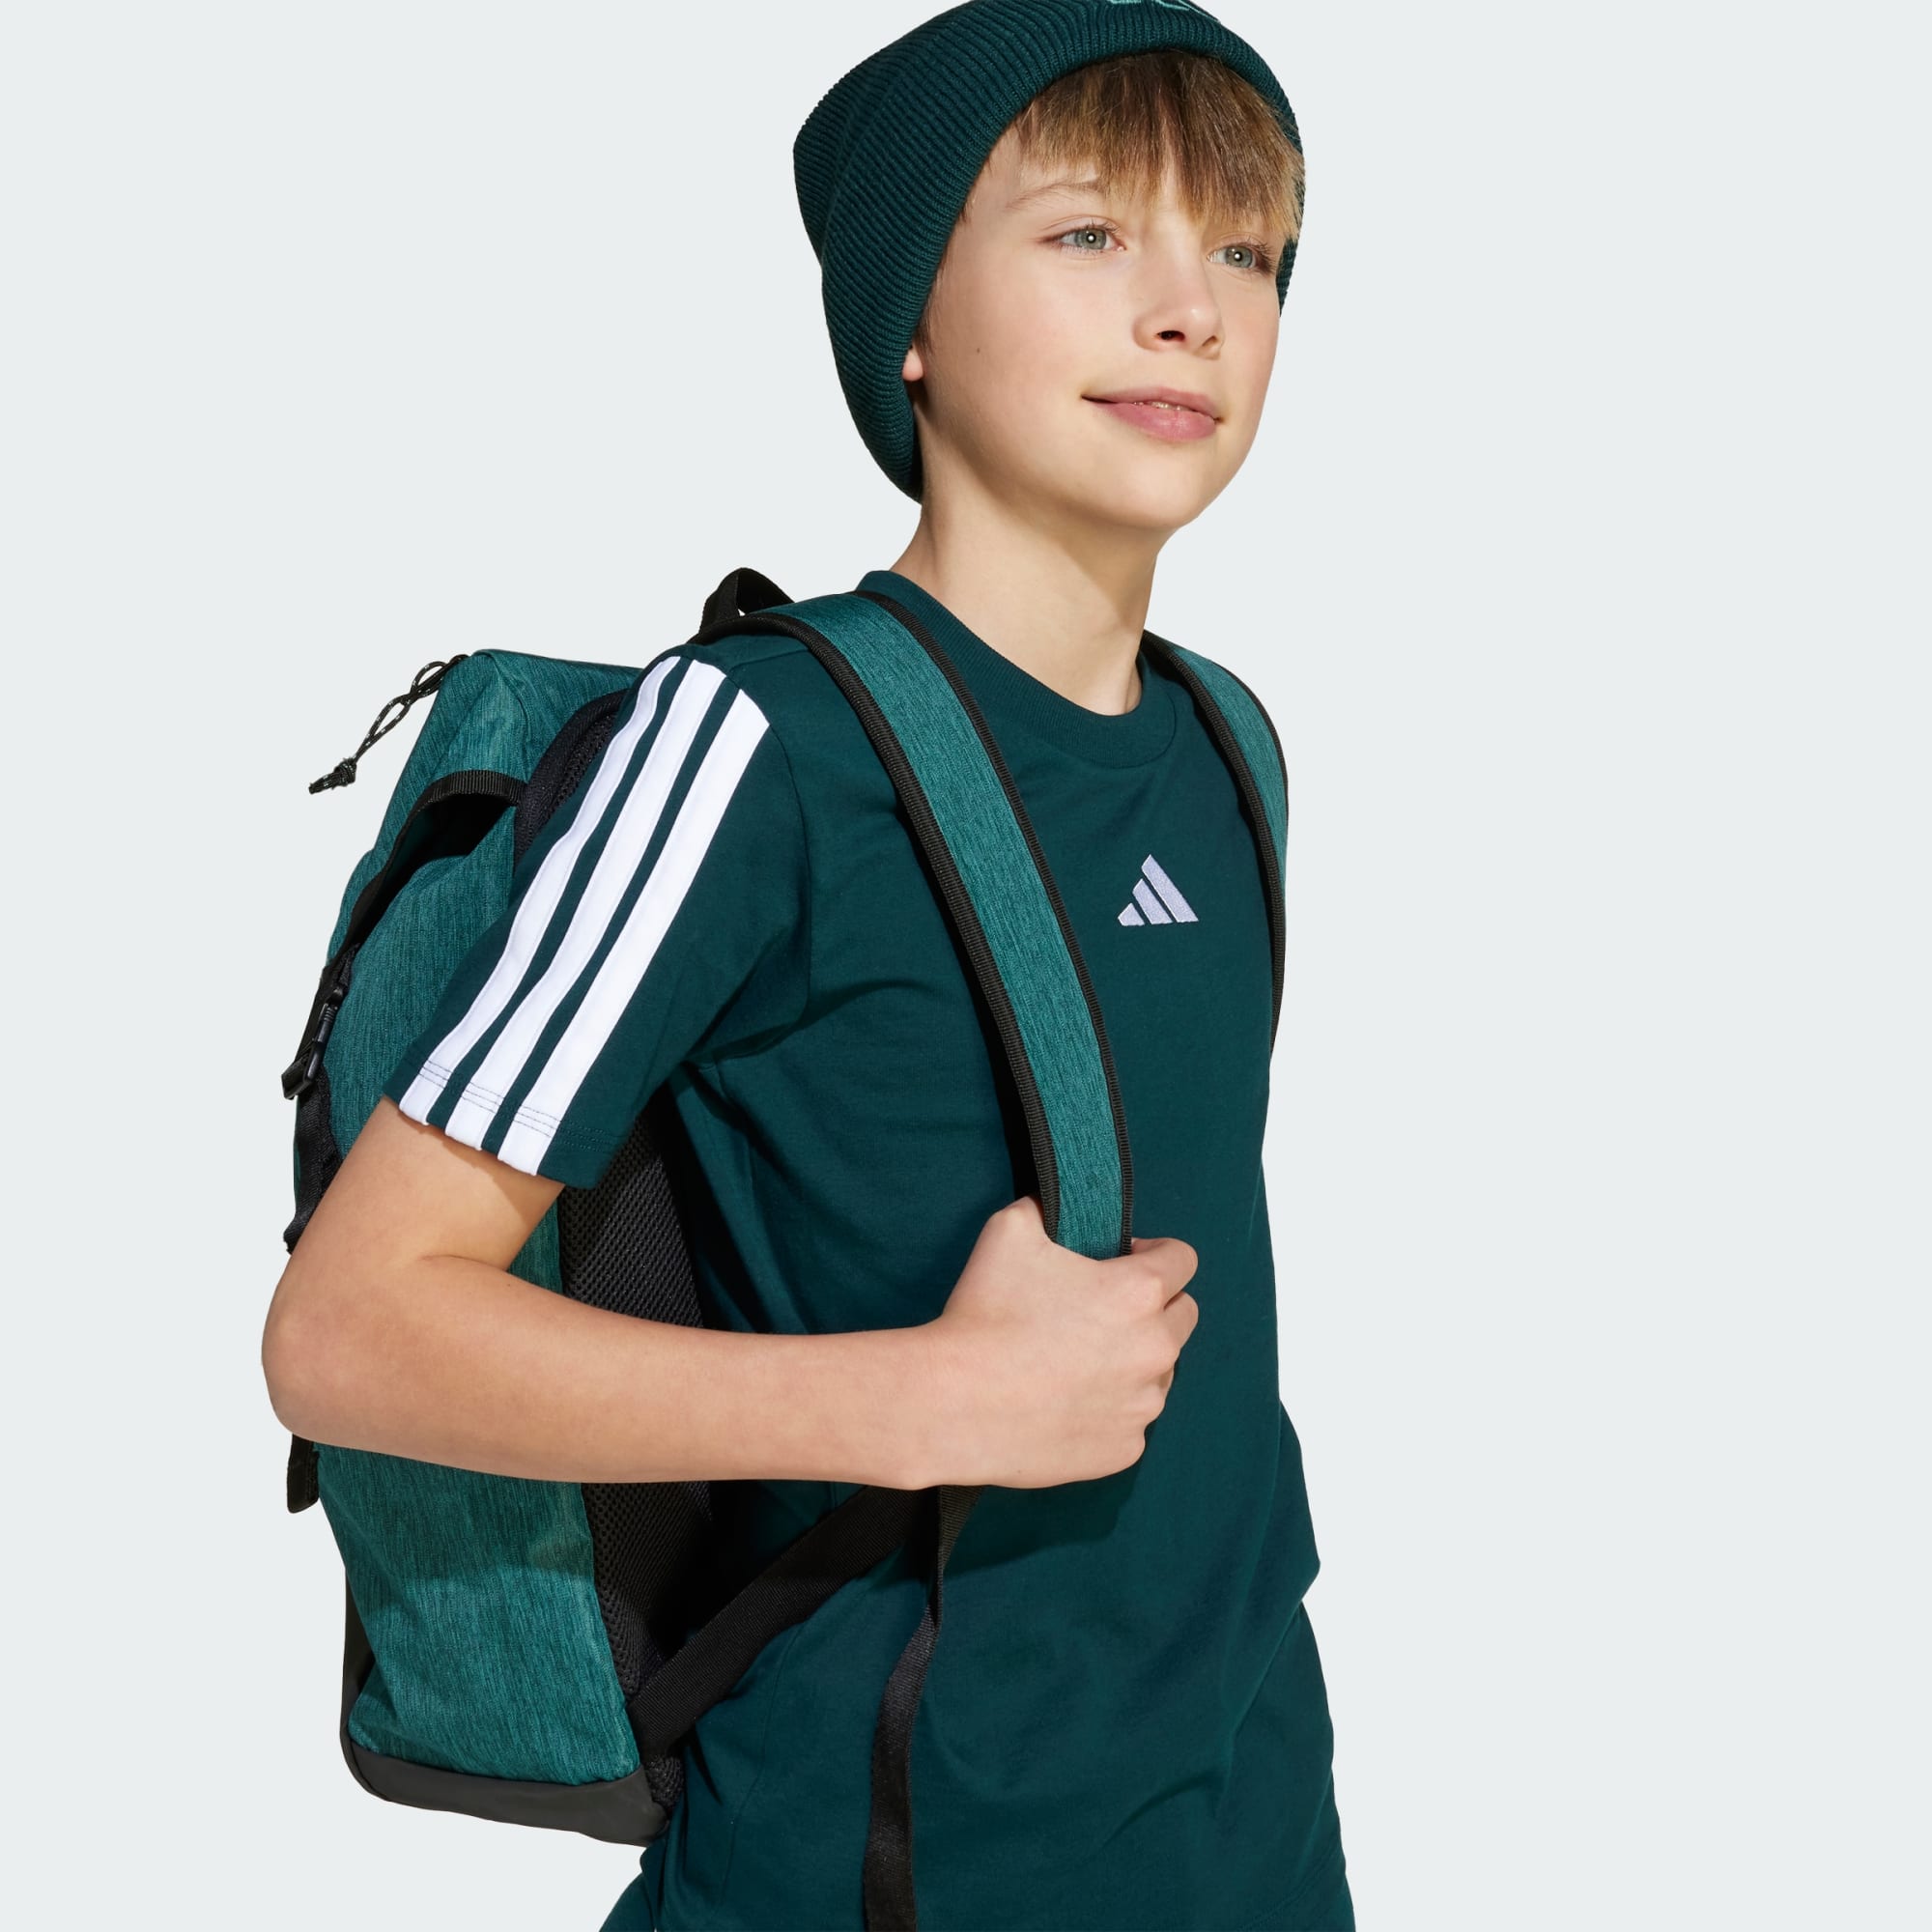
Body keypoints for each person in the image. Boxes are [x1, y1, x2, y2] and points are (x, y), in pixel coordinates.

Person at [261, 2, 1350, 1926]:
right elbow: (348, 1334)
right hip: (876, 1860)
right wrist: (927, 1399)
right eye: (1088, 232)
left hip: (1248, 1831)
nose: (1191, 308)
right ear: (906, 322)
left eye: (1247, 253)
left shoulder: (1228, 742)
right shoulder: (752, 746)